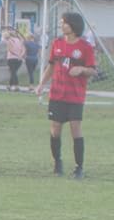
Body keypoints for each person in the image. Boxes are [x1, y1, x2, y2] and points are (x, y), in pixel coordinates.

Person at [36, 10, 94, 179]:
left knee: (75, 128)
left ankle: (79, 167)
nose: (62, 25)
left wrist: (82, 69)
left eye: (64, 22)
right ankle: (57, 162)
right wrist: (41, 84)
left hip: (75, 96)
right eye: (61, 22)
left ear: (73, 25)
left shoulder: (85, 47)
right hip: (57, 94)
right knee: (55, 130)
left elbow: (93, 71)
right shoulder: (57, 43)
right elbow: (52, 66)